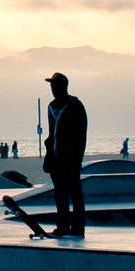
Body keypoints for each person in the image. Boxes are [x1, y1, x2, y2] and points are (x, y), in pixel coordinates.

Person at [43, 73, 87, 237]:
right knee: (59, 193)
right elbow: (51, 133)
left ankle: (78, 227)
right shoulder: (51, 106)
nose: (52, 89)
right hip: (55, 159)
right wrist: (49, 155)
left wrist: (77, 158)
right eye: (51, 86)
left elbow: (81, 135)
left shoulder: (75, 105)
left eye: (54, 86)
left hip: (70, 159)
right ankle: (62, 226)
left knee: (75, 192)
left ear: (63, 86)